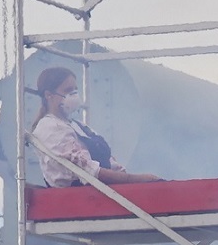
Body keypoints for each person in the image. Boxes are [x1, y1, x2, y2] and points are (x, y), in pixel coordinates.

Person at [25, 66, 159, 187]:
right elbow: (87, 170)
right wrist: (134, 179)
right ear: (49, 95)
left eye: (75, 90)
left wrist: (127, 178)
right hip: (78, 197)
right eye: (68, 90)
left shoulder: (77, 125)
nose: (74, 95)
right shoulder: (50, 128)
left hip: (101, 191)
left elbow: (110, 163)